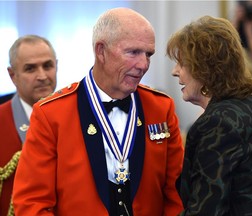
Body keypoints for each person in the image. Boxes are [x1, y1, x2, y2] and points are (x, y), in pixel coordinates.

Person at [13, 7, 184, 216]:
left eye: (148, 54)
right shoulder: (51, 114)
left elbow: (176, 195)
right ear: (101, 50)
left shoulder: (161, 107)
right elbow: (31, 203)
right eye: (133, 52)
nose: (143, 65)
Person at [166, 15, 252, 215]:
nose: (175, 71)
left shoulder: (217, 123)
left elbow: (206, 209)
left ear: (205, 67)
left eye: (182, 63)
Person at [0, 35, 57, 216]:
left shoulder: (79, 115)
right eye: (30, 69)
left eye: (47, 66)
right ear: (12, 75)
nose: (42, 76)